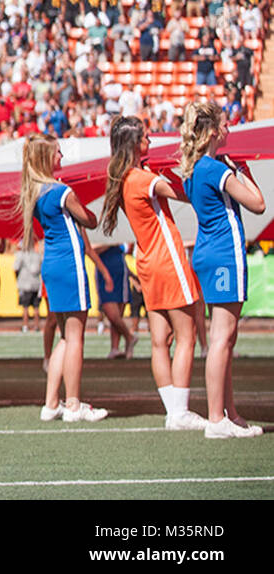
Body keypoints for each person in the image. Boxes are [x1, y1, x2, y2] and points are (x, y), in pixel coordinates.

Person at [100, 116, 204, 430]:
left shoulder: (125, 178)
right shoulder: (143, 178)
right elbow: (185, 193)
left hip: (148, 263)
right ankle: (180, 411)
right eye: (146, 137)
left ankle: (174, 411)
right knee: (187, 336)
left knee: (161, 340)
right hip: (167, 259)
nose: (151, 141)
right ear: (134, 144)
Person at [179, 101, 266, 438]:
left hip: (207, 252)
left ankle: (229, 413)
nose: (230, 129)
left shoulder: (194, 169)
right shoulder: (216, 169)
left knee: (224, 338)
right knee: (221, 338)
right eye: (226, 124)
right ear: (214, 131)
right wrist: (243, 169)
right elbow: (258, 205)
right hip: (224, 254)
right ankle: (217, 418)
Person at [18, 134, 111, 423]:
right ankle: (72, 403)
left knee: (64, 336)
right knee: (75, 337)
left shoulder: (34, 192)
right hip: (70, 264)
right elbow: (89, 220)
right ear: (47, 158)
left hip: (53, 264)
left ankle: (51, 403)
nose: (62, 158)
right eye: (58, 153)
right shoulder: (61, 191)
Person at [13, 241, 43, 333]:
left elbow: (16, 268)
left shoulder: (21, 255)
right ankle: (36, 326)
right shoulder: (37, 255)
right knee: (36, 307)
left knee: (25, 307)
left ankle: (25, 326)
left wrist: (17, 278)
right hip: (36, 283)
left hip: (24, 283)